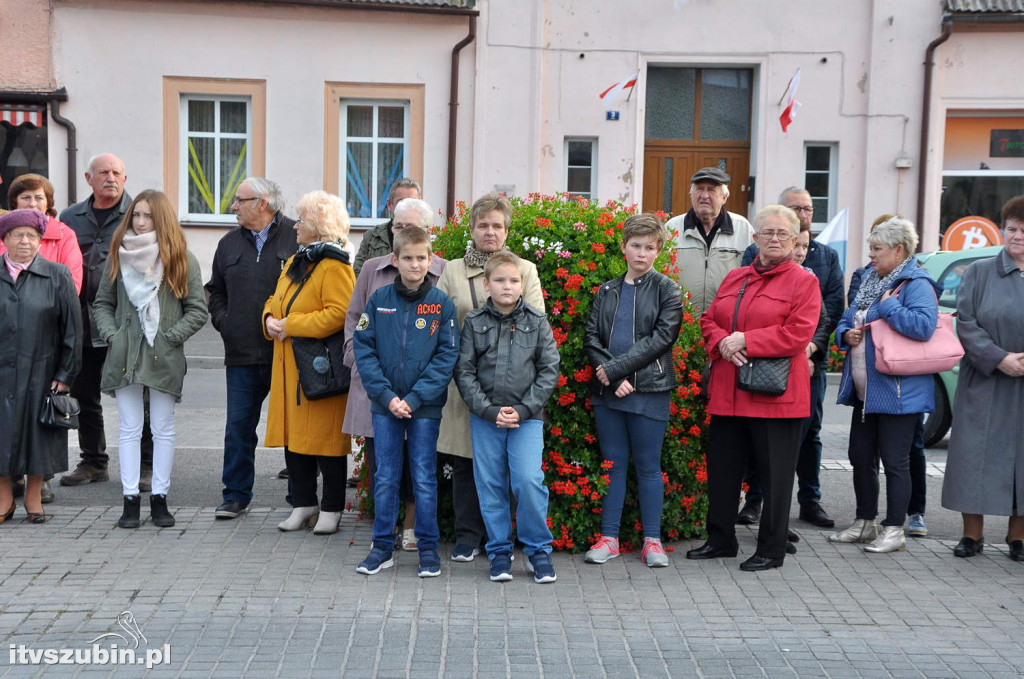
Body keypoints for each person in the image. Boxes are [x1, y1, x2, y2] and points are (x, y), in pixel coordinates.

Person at [688, 205, 820, 571]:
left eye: (782, 234)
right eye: (767, 233)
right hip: (729, 391)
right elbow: (708, 319)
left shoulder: (804, 281)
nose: (774, 239)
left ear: (795, 242)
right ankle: (720, 540)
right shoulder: (736, 278)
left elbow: (798, 334)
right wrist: (722, 342)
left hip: (776, 398)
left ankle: (771, 549)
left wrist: (746, 339)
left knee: (776, 480)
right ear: (755, 238)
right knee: (723, 472)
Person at [436, 193, 545, 562]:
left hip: (512, 381)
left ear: (507, 229)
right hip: (465, 381)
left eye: (497, 225)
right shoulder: (451, 270)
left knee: (515, 468)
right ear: (472, 229)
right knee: (467, 463)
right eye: (482, 225)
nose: (490, 231)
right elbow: (438, 318)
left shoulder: (524, 269)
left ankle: (508, 541)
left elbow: (535, 319)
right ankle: (468, 536)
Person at [92, 190, 208, 528]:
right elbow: (102, 304)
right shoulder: (119, 254)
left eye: (148, 216)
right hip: (125, 353)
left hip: (163, 354)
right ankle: (130, 500)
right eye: (136, 216)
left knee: (162, 428)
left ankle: (160, 499)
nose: (141, 222)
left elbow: (197, 310)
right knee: (129, 428)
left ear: (161, 219)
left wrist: (170, 337)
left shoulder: (181, 258)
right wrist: (113, 335)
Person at [353, 226, 459, 578]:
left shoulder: (441, 305)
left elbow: (446, 357)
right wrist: (387, 397)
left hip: (423, 408)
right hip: (385, 406)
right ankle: (382, 547)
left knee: (424, 477)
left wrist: (413, 398)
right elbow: (364, 350)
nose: (415, 264)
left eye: (421, 258)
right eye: (408, 258)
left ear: (430, 261)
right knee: (385, 477)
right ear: (395, 260)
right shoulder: (378, 300)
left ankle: (428, 549)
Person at [829, 217, 939, 554]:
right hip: (866, 390)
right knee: (860, 457)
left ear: (898, 250)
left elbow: (923, 327)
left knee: (895, 461)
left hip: (899, 392)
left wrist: (890, 305)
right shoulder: (870, 280)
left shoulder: (916, 282)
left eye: (877, 249)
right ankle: (865, 523)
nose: (871, 255)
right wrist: (844, 335)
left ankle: (894, 530)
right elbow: (848, 319)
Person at [737, 187, 844, 529]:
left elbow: (830, 310)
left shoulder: (826, 257)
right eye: (796, 208)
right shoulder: (756, 253)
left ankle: (809, 501)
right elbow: (750, 309)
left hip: (808, 362)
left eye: (808, 208)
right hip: (765, 359)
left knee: (809, 432)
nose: (804, 213)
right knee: (759, 434)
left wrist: (809, 350)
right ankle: (755, 500)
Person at [342, 197, 445, 550]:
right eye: (399, 227)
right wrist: (357, 362)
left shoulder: (441, 271)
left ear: (429, 236)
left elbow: (446, 340)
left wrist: (421, 392)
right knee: (381, 466)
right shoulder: (373, 268)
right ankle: (382, 532)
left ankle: (414, 529)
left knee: (420, 467)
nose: (404, 233)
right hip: (379, 389)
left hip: (423, 394)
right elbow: (355, 320)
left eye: (413, 228)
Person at [582, 214, 683, 568]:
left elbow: (661, 339)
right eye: (636, 246)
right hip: (609, 390)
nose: (642, 253)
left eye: (649, 247)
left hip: (650, 389)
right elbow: (592, 338)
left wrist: (615, 369)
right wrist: (610, 375)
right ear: (623, 247)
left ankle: (651, 542)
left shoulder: (668, 289)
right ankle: (609, 539)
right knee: (613, 465)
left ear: (658, 251)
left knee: (648, 466)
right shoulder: (606, 290)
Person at [455, 252, 561, 583]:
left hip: (526, 418)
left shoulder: (536, 320)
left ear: (522, 284)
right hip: (486, 418)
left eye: (514, 280)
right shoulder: (474, 322)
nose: (507, 286)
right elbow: (464, 370)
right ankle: (500, 551)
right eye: (500, 280)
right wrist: (487, 409)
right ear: (487, 284)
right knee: (491, 485)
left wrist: (525, 408)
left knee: (528, 481)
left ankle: (537, 551)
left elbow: (549, 369)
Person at [262, 191, 356, 535]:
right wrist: (270, 318)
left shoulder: (334, 265)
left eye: (301, 220)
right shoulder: (297, 260)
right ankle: (303, 504)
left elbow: (341, 313)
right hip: (289, 369)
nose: (295, 225)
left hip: (320, 370)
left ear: (317, 227)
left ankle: (331, 508)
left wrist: (291, 325)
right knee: (294, 439)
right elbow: (276, 298)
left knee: (326, 442)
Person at [205, 177, 298, 520]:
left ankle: (300, 498)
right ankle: (235, 495)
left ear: (262, 203)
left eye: (238, 201)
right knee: (239, 427)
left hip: (288, 351)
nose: (233, 207)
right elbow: (215, 291)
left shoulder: (296, 236)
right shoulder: (228, 244)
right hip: (242, 352)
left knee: (293, 426)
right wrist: (224, 322)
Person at [60, 154, 154, 490]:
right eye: (103, 172)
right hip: (82, 323)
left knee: (138, 397)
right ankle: (94, 462)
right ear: (89, 178)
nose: (110, 177)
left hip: (127, 325)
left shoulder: (139, 216)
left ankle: (147, 466)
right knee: (85, 396)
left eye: (116, 172)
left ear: (125, 178)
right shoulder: (71, 217)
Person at [941, 196, 1024, 560]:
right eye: (1012, 228)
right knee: (973, 456)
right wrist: (999, 358)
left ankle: (1018, 537)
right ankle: (971, 535)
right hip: (985, 381)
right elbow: (966, 321)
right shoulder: (978, 271)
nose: (1017, 236)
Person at [1, 173, 84, 504]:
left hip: (42, 369)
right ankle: (5, 498)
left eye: (32, 235)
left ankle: (35, 497)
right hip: (3, 370)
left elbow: (72, 330)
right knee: (3, 434)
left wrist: (64, 376)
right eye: (17, 235)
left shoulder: (57, 274)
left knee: (39, 435)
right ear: (4, 239)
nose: (25, 241)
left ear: (40, 240)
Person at [665, 167, 755, 316]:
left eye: (711, 190)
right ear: (691, 195)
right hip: (681, 322)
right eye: (699, 189)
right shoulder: (672, 227)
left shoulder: (743, 228)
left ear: (724, 197)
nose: (704, 196)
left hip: (725, 321)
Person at [3, 173, 83, 294]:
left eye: (39, 198)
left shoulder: (64, 235)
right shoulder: (2, 231)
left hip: (49, 310)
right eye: (25, 198)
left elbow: (71, 285)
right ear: (14, 202)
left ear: (48, 203)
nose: (32, 204)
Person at [353, 178, 422, 276]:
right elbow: (358, 273)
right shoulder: (373, 236)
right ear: (390, 205)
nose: (406, 207)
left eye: (412, 203)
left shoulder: (427, 235)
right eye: (401, 202)